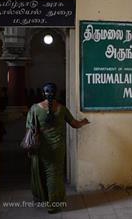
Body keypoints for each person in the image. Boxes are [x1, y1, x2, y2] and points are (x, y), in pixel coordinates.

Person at [26, 82, 89, 213]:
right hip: (58, 148)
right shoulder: (62, 108)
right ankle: (54, 204)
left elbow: (30, 129)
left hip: (41, 147)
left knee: (44, 172)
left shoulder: (34, 109)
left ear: (43, 93)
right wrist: (84, 122)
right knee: (54, 174)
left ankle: (46, 199)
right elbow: (75, 124)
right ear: (56, 93)